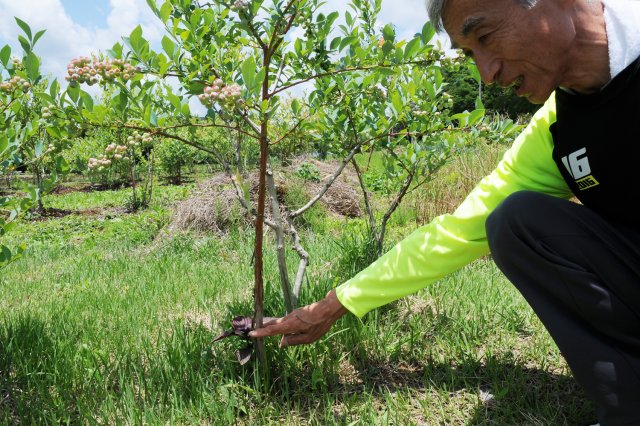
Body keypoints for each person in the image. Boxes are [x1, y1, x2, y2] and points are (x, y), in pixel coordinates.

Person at [249, 0, 640, 424]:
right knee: (515, 221)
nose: (486, 74)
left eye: (486, 37)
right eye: (470, 54)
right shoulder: (559, 127)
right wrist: (333, 304)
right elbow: (455, 232)